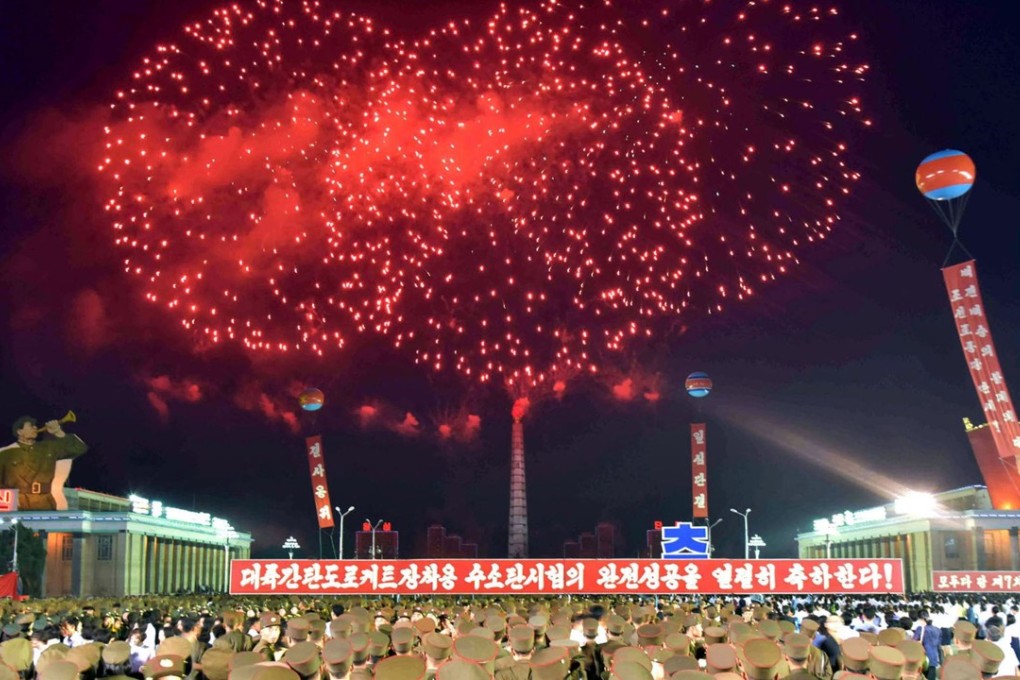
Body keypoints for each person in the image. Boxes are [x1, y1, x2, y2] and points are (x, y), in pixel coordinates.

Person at [0, 416, 87, 510]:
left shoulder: (47, 448)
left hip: (44, 501)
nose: (35, 428)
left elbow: (79, 448)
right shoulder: (5, 453)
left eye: (35, 426)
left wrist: (58, 432)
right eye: (31, 426)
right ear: (19, 432)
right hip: (17, 502)